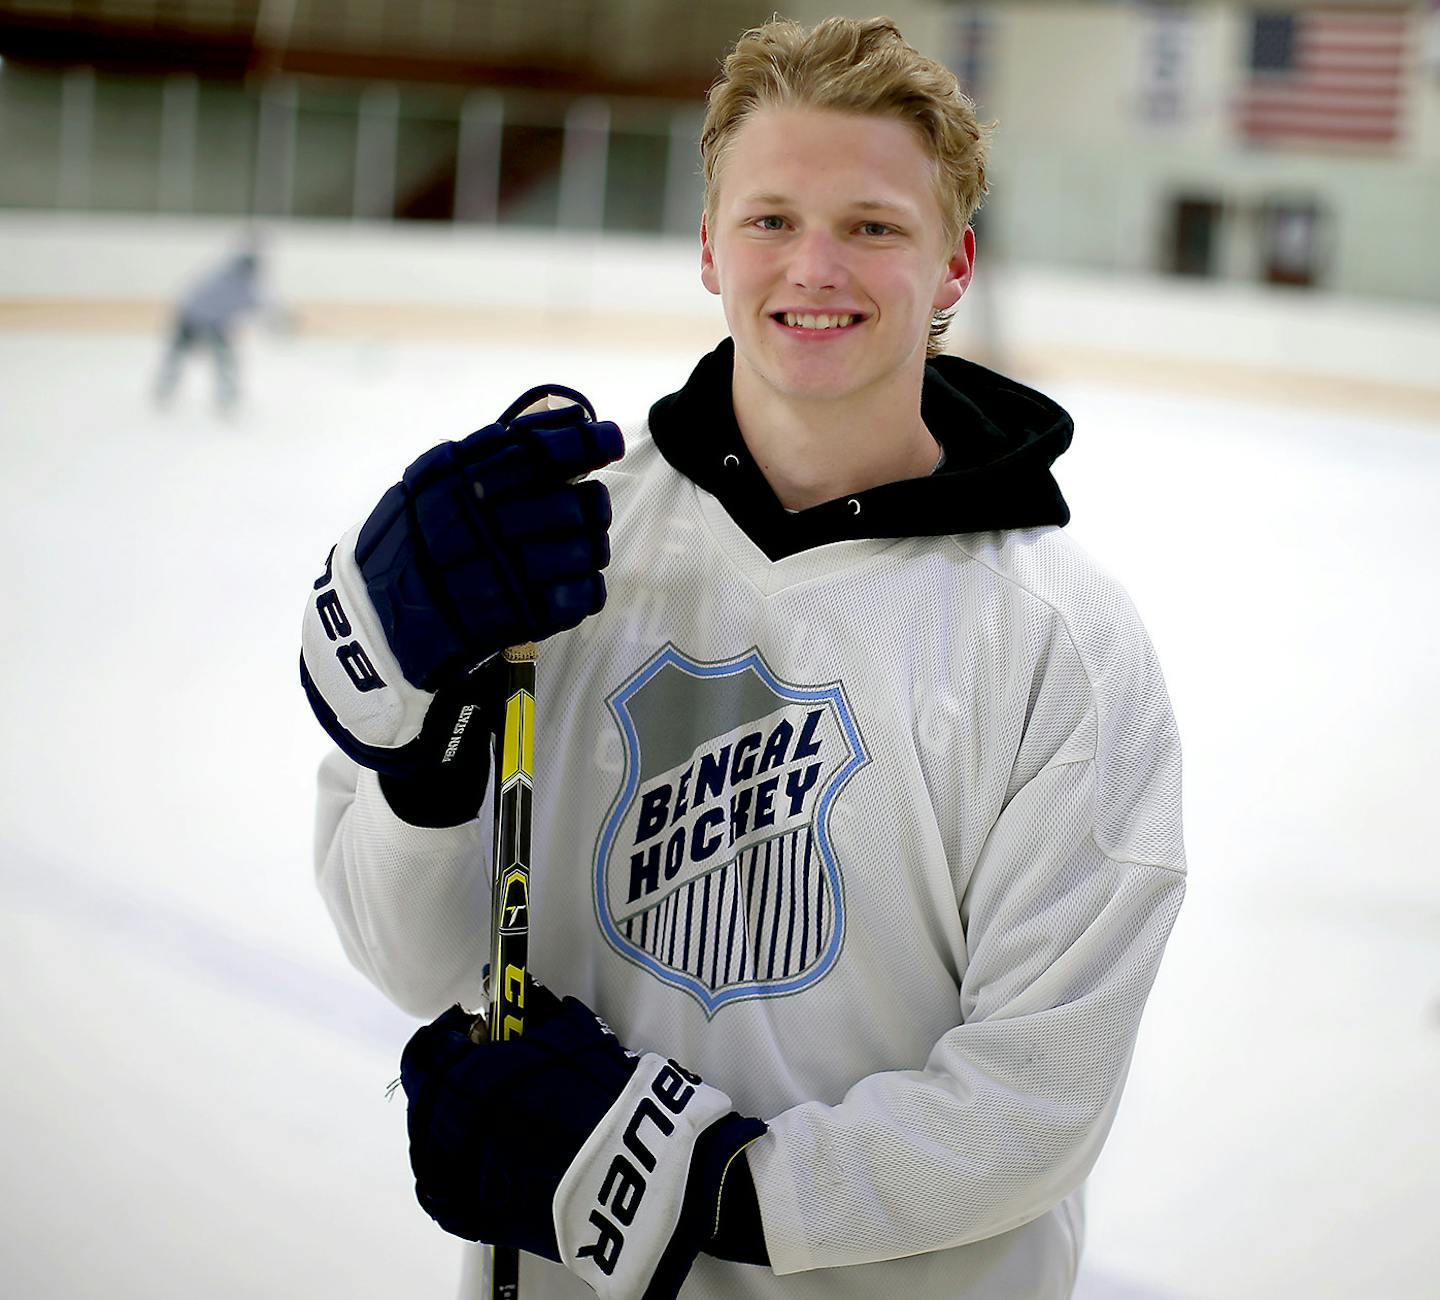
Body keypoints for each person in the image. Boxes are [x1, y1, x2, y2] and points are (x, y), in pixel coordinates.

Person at [300, 16, 1186, 1300]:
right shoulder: (548, 554)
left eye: (873, 225)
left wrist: (703, 1190)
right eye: (770, 219)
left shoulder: (1059, 643)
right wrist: (424, 763)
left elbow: (1036, 1104)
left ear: (954, 266)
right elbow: (418, 962)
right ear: (709, 246)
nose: (814, 265)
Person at [154, 241, 278, 411]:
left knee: (209, 359)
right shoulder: (235, 284)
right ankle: (168, 388)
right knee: (209, 359)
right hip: (194, 320)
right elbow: (261, 307)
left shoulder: (224, 276)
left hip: (202, 321)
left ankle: (168, 389)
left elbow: (260, 306)